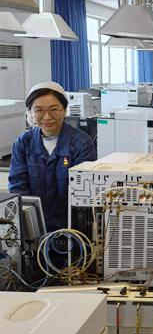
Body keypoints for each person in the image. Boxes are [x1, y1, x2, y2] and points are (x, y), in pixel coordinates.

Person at [9, 81, 97, 232]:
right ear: (30, 113)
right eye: (39, 110)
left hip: (72, 228)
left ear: (64, 110)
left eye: (54, 109)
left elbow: (83, 194)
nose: (47, 116)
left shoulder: (82, 144)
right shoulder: (24, 142)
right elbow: (18, 187)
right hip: (34, 226)